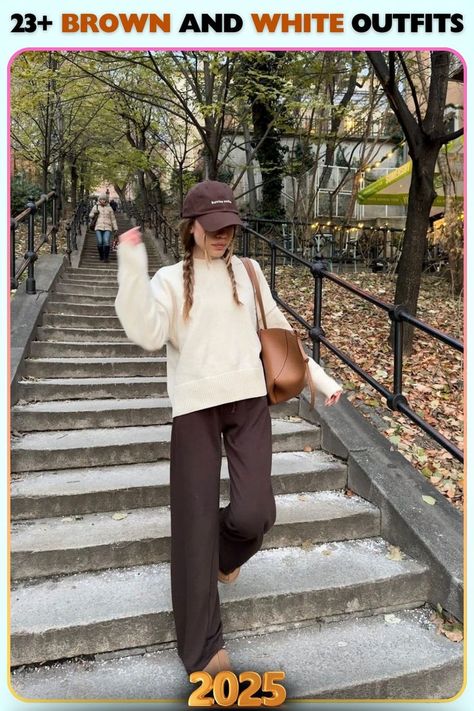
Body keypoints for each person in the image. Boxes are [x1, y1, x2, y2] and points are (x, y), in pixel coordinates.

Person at [114, 181, 342, 677]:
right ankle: (202, 648)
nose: (223, 237)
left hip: (249, 401)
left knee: (255, 513)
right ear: (191, 228)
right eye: (213, 229)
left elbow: (278, 330)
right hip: (196, 407)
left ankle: (217, 556)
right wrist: (132, 268)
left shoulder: (251, 272)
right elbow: (148, 334)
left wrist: (317, 379)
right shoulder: (171, 280)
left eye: (230, 228)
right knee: (192, 525)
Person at [89, 193, 118, 262]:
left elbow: (113, 219)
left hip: (108, 227)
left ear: (106, 200)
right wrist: (94, 213)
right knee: (100, 242)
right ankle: (101, 255)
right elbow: (90, 215)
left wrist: (115, 228)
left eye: (104, 199)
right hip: (98, 227)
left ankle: (106, 258)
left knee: (106, 242)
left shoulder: (109, 208)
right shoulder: (96, 207)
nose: (102, 200)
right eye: (101, 199)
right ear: (99, 199)